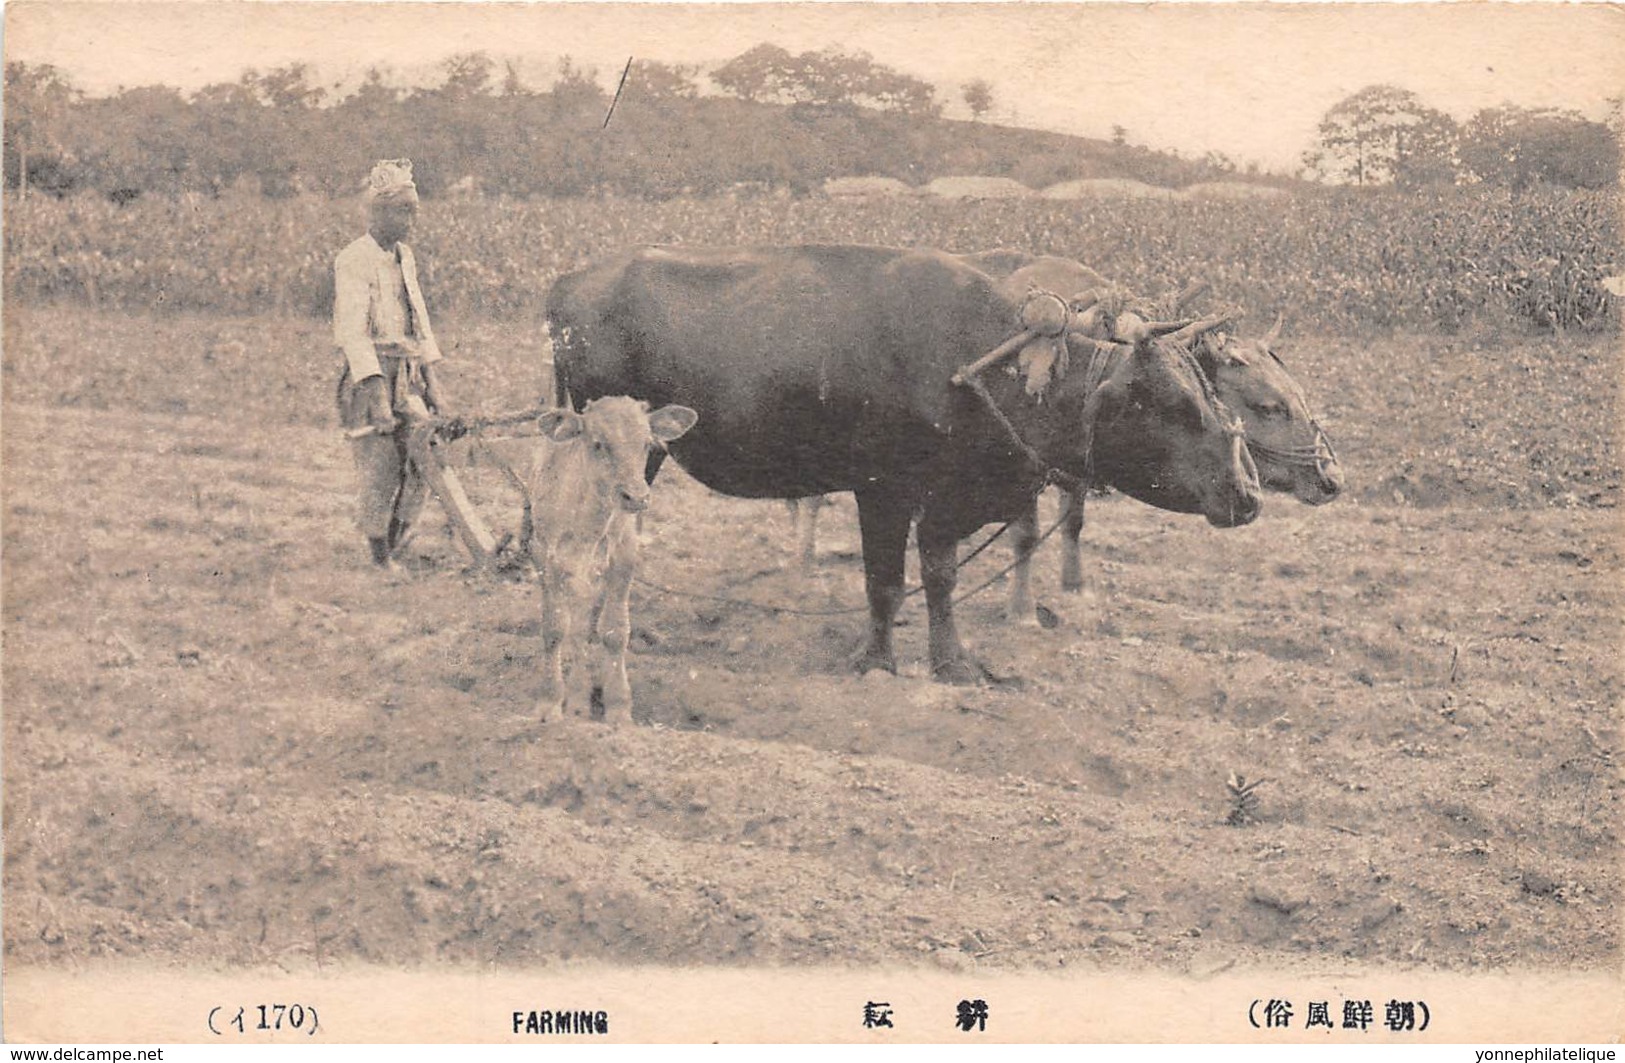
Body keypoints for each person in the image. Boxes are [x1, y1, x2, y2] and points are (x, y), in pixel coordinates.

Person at [333, 159, 454, 568]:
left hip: (408, 373)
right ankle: (379, 556)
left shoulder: (406, 257)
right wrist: (378, 399)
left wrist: (433, 384)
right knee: (381, 467)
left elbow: (419, 321)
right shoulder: (354, 259)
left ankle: (398, 542)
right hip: (371, 378)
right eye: (405, 210)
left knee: (426, 455)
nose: (412, 219)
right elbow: (353, 333)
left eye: (414, 209)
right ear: (380, 211)